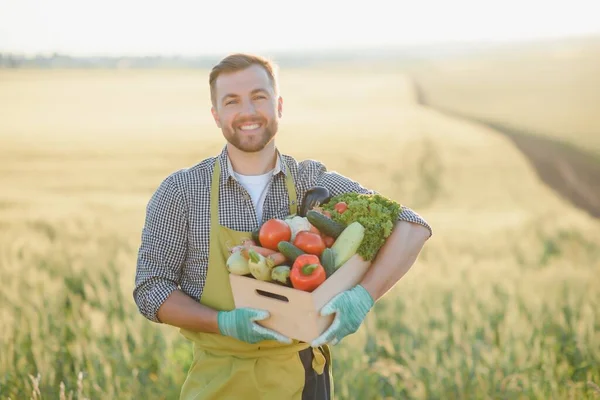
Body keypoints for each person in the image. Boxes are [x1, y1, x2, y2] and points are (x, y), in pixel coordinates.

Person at [133, 53, 433, 400]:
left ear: (278, 105)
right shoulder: (182, 192)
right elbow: (150, 289)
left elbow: (412, 225)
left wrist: (364, 297)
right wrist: (223, 323)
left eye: (258, 97)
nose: (247, 111)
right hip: (218, 381)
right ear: (216, 115)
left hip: (303, 379)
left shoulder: (310, 181)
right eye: (232, 101)